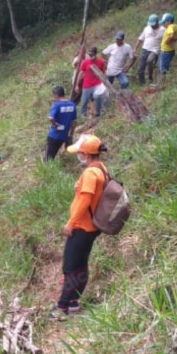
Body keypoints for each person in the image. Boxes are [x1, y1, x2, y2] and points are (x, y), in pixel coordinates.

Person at [49, 135, 109, 321]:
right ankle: (73, 302)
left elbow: (85, 199)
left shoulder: (91, 174)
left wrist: (70, 223)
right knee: (80, 264)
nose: (79, 155)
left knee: (71, 267)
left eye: (80, 153)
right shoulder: (100, 168)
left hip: (82, 226)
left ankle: (62, 308)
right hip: (90, 226)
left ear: (86, 154)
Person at [45, 85, 78, 162]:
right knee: (55, 154)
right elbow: (74, 121)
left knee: (48, 158)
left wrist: (56, 124)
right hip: (65, 135)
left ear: (56, 94)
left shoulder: (56, 105)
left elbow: (51, 118)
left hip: (54, 135)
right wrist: (71, 134)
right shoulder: (72, 104)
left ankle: (48, 171)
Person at [76, 47, 106, 118]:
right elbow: (81, 73)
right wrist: (77, 85)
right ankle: (83, 116)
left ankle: (97, 114)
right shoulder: (85, 62)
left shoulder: (101, 62)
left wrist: (104, 83)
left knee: (97, 97)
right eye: (90, 54)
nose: (91, 55)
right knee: (84, 101)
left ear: (96, 53)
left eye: (92, 54)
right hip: (87, 85)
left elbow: (103, 73)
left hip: (97, 84)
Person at [134, 14, 164, 85]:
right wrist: (135, 48)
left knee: (150, 61)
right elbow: (140, 39)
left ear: (157, 22)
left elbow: (166, 39)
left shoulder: (162, 30)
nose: (152, 26)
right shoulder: (147, 28)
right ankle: (142, 83)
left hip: (155, 50)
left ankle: (150, 77)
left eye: (153, 24)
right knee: (140, 67)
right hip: (145, 49)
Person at [159, 13, 177, 83]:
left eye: (164, 22)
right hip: (170, 50)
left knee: (163, 68)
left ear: (169, 21)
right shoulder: (175, 26)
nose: (163, 24)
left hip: (166, 51)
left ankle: (162, 83)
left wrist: (167, 41)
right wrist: (176, 39)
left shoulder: (170, 27)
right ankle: (163, 81)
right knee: (164, 66)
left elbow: (171, 35)